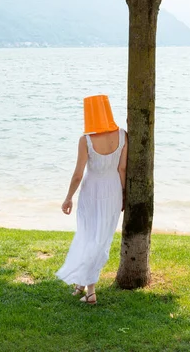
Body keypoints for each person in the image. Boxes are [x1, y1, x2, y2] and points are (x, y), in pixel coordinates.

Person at [56, 94, 127, 305]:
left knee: (88, 237)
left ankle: (91, 292)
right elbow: (122, 168)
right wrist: (123, 195)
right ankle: (81, 282)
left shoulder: (85, 140)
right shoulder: (123, 135)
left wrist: (68, 198)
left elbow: (78, 174)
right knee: (100, 239)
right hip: (113, 189)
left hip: (91, 190)